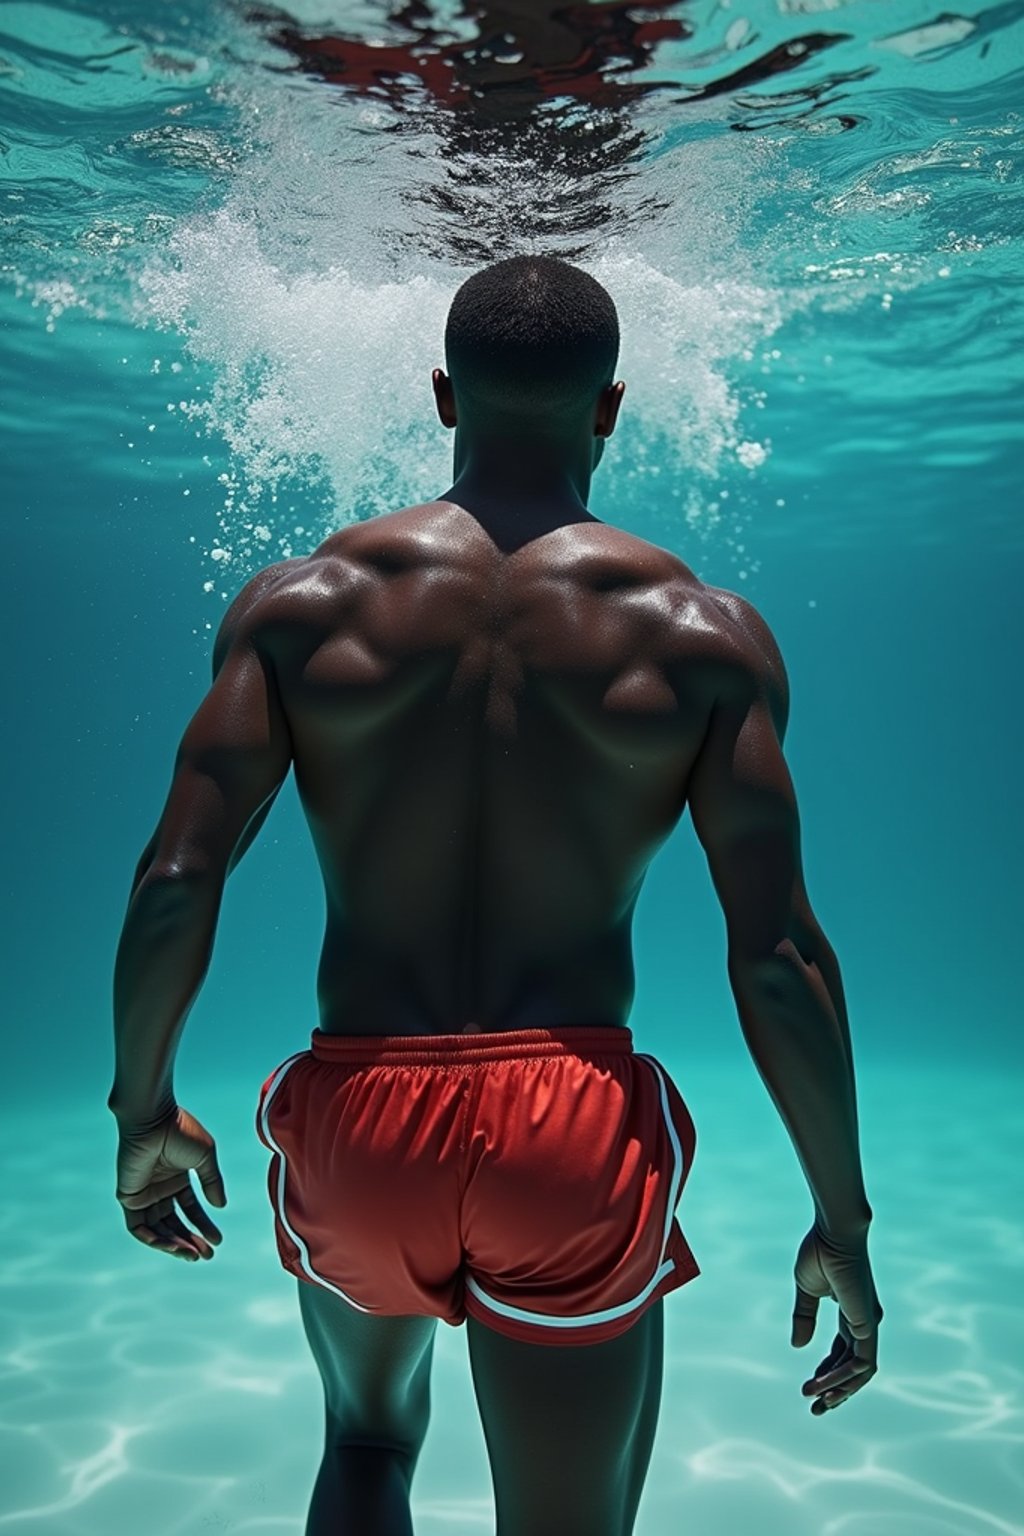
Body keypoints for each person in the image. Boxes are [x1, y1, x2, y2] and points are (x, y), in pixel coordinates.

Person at [108, 254, 883, 1536]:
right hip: (566, 1131)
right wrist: (839, 1216)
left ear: (439, 397)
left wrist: (143, 1109)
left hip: (358, 1115)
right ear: (612, 408)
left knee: (362, 1442)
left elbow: (177, 877)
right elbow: (777, 954)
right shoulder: (700, 631)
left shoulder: (301, 606)